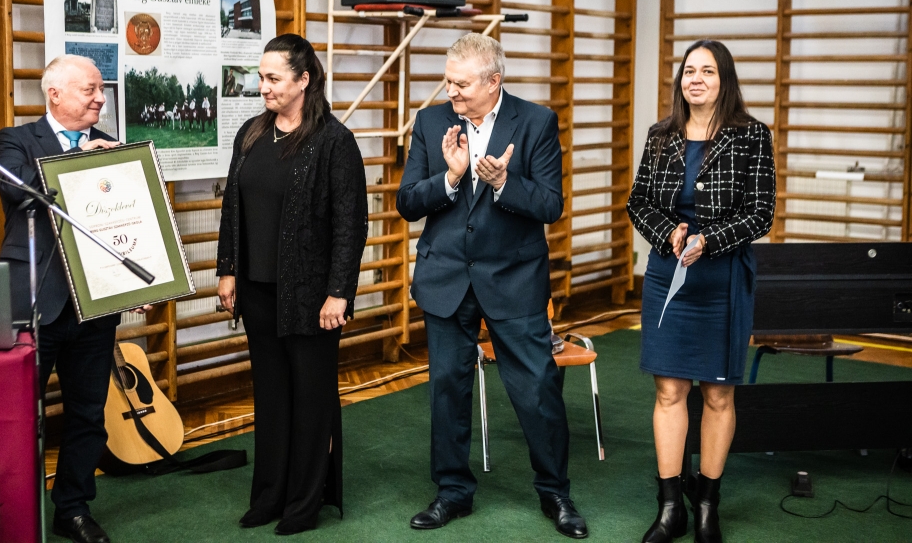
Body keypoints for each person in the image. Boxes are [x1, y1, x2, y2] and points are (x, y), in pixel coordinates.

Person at [397, 33, 588, 539]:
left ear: (493, 81)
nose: (451, 91)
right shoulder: (431, 122)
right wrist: (451, 179)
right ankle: (452, 493)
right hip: (446, 279)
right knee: (447, 390)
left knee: (537, 389)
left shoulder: (537, 122)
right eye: (448, 81)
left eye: (461, 84)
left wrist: (504, 183)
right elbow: (407, 202)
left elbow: (550, 205)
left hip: (514, 279)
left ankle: (555, 492)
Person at [215, 34, 368, 535]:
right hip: (258, 293)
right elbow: (232, 206)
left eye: (273, 78)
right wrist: (227, 269)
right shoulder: (251, 133)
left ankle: (304, 503)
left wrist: (339, 292)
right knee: (271, 398)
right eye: (261, 77)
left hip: (312, 298)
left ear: (304, 80)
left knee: (311, 401)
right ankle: (269, 497)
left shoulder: (334, 142)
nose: (263, 86)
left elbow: (350, 225)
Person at [627, 40, 775, 543]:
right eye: (689, 71)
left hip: (723, 278)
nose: (696, 79)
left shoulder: (751, 135)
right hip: (668, 277)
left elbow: (761, 213)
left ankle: (707, 505)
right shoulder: (661, 135)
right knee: (670, 392)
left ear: (723, 79)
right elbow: (638, 202)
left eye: (707, 71)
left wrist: (710, 240)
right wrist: (667, 231)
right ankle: (671, 508)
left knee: (717, 394)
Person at [0, 54, 143, 543]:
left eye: (101, 90)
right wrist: (80, 162)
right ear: (54, 94)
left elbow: (129, 224)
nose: (101, 99)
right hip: (35, 301)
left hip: (95, 304)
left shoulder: (112, 146)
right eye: (90, 90)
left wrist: (142, 282)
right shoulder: (15, 140)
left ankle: (73, 508)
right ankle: (13, 508)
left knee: (88, 414)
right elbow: (18, 192)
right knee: (20, 414)